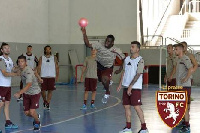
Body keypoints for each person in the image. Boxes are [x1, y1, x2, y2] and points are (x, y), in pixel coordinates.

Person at [81, 27, 125, 103]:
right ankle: (108, 81)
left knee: (105, 79)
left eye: (109, 41)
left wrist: (120, 69)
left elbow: (124, 59)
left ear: (112, 43)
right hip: (99, 65)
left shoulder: (116, 50)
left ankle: (107, 93)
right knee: (101, 80)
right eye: (106, 40)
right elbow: (87, 44)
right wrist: (84, 33)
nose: (106, 43)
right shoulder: (99, 45)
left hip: (108, 67)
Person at [117, 41, 148, 133]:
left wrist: (131, 86)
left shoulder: (140, 60)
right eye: (131, 46)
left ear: (137, 49)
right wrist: (120, 84)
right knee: (126, 107)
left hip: (135, 88)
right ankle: (128, 128)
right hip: (126, 86)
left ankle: (144, 128)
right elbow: (124, 72)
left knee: (137, 107)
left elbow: (138, 74)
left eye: (133, 47)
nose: (131, 48)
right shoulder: (126, 59)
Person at [14, 55, 42, 131]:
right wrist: (39, 78)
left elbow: (29, 84)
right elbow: (35, 72)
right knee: (26, 113)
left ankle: (37, 122)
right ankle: (36, 115)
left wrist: (19, 92)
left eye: (22, 61)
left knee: (32, 111)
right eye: (19, 62)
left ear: (25, 62)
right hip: (26, 94)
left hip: (34, 93)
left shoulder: (28, 71)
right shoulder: (21, 68)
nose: (20, 63)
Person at [174, 43, 193, 132]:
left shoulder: (185, 58)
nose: (175, 51)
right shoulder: (179, 59)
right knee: (182, 106)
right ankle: (184, 123)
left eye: (176, 49)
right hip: (179, 86)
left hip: (185, 87)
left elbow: (191, 68)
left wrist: (186, 78)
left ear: (181, 50)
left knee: (185, 107)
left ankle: (187, 126)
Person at [0, 42, 19, 130]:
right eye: (5, 48)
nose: (7, 49)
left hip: (8, 86)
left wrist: (21, 66)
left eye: (8, 48)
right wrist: (16, 75)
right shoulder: (1, 59)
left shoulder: (10, 59)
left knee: (7, 103)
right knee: (1, 104)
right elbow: (4, 73)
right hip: (1, 86)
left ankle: (8, 122)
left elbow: (13, 69)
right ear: (2, 50)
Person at [38, 45, 59, 110]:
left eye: (49, 49)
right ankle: (45, 100)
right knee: (43, 90)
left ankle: (48, 103)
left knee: (50, 90)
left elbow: (57, 67)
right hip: (43, 76)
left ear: (50, 50)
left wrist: (57, 76)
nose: (47, 50)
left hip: (51, 76)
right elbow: (39, 67)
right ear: (45, 50)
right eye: (46, 49)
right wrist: (38, 76)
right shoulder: (41, 57)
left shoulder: (54, 58)